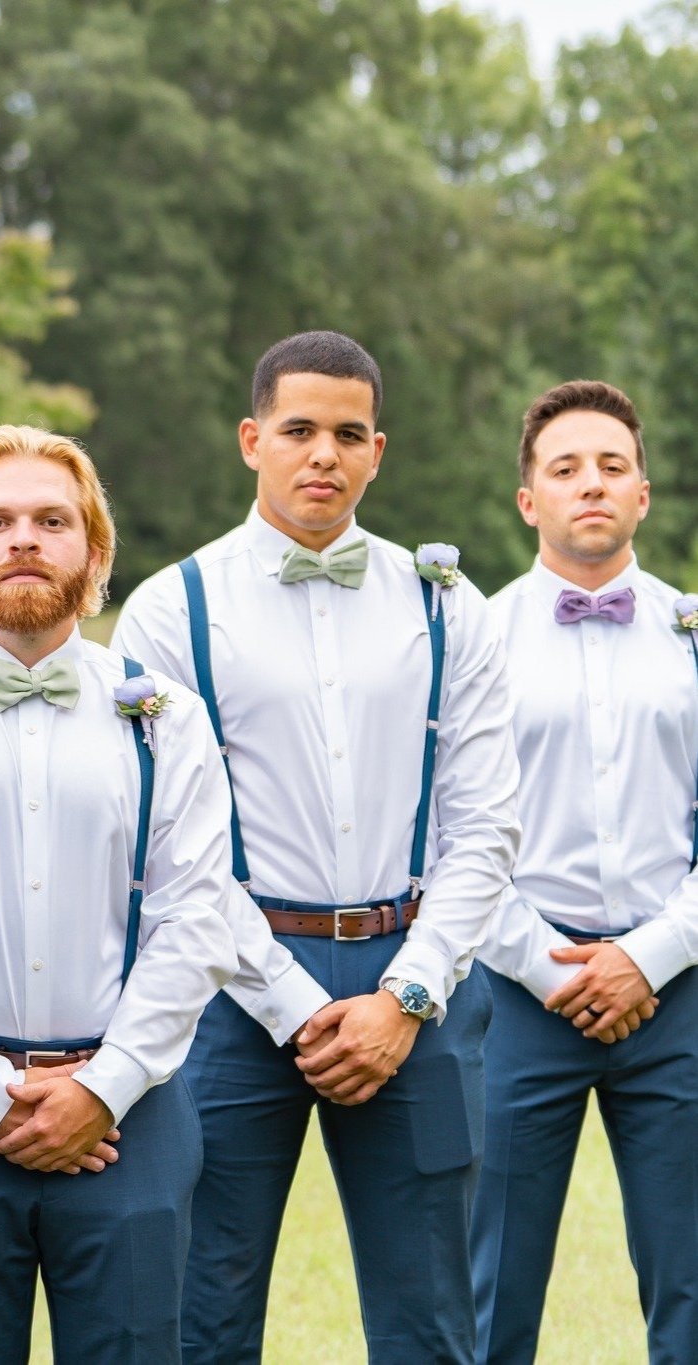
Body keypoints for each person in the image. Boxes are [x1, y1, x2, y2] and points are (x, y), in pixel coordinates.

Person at [113, 330, 520, 1363]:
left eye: (348, 434)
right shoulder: (172, 609)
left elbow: (484, 824)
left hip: (411, 986)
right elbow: (172, 848)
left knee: (432, 1318)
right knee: (202, 1308)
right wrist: (295, 1009)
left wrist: (408, 995)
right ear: (253, 440)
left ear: (379, 451)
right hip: (232, 992)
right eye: (298, 430)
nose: (322, 455)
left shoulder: (445, 606)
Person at [0, 424, 237, 1363]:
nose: (24, 539)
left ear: (93, 548)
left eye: (52, 519)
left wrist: (105, 1084)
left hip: (132, 1116)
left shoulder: (167, 716)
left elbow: (195, 918)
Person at [470, 380, 698, 1363]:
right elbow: (449, 833)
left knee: (691, 1283)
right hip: (518, 997)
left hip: (679, 992)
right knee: (489, 1289)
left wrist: (650, 956)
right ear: (529, 500)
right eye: (565, 469)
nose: (590, 485)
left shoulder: (693, 635)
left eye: (611, 466)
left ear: (644, 492)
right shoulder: (472, 642)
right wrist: (550, 967)